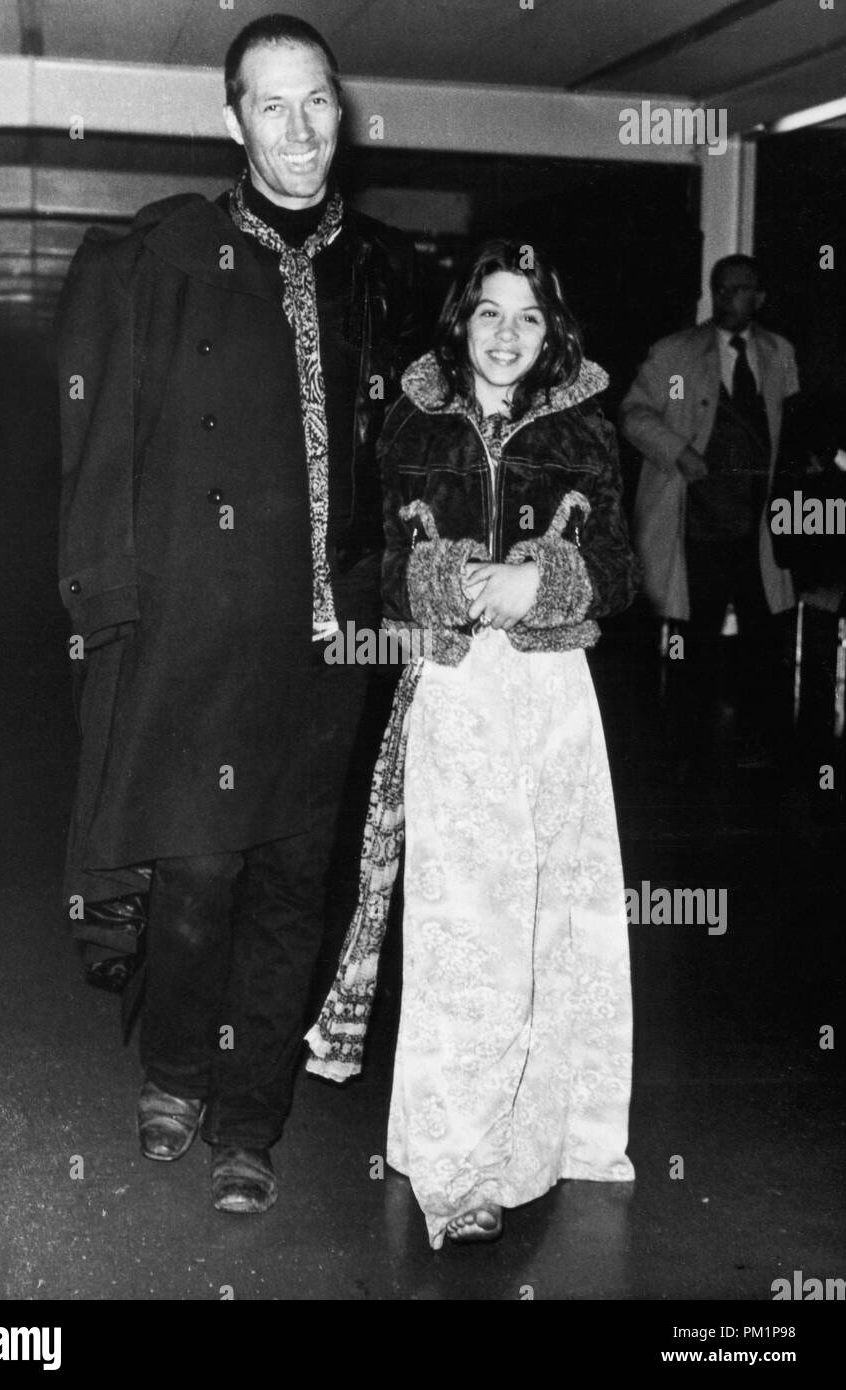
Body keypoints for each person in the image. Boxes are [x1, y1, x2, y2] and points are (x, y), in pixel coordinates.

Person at [55, 13, 415, 1214]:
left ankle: (250, 1119)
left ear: (340, 111)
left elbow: (420, 457)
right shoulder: (160, 255)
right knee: (197, 877)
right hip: (199, 629)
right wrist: (106, 602)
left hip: (331, 642)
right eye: (273, 105)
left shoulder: (388, 271)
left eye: (317, 101)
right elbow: (102, 443)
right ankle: (173, 1068)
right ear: (233, 121)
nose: (301, 128)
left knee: (289, 886)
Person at [307, 239, 638, 1247]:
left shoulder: (585, 428)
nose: (506, 334)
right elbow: (364, 561)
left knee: (555, 919)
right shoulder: (411, 420)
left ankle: (548, 1139)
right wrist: (446, 584)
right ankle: (458, 1167)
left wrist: (548, 582)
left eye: (528, 317)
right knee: (466, 932)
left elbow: (622, 567)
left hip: (553, 698)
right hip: (455, 695)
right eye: (489, 313)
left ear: (554, 333)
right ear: (461, 324)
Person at [621, 255, 800, 757]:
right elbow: (633, 413)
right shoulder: (674, 352)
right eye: (718, 290)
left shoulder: (779, 353)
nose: (724, 299)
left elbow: (797, 422)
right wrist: (677, 451)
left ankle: (761, 752)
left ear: (759, 297)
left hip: (759, 529)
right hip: (694, 526)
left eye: (736, 291)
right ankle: (684, 751)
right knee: (690, 643)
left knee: (764, 640)